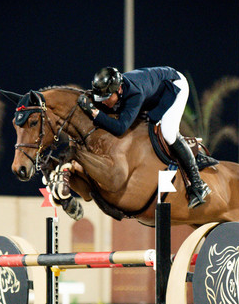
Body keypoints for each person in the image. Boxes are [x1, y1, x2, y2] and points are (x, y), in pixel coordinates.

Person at [77, 66, 211, 208]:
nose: (103, 101)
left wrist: (94, 113)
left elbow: (120, 128)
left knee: (168, 132)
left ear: (119, 90)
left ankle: (198, 185)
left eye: (107, 97)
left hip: (175, 86)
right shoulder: (115, 87)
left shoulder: (135, 93)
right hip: (156, 90)